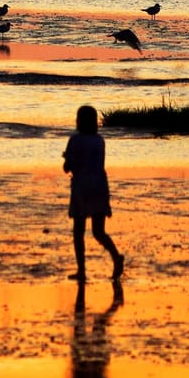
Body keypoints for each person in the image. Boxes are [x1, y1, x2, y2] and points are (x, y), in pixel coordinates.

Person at [63, 105, 124, 281]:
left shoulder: (75, 141)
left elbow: (69, 168)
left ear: (79, 121)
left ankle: (82, 270)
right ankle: (115, 257)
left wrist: (66, 158)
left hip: (82, 187)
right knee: (99, 231)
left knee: (78, 231)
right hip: (99, 185)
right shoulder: (99, 141)